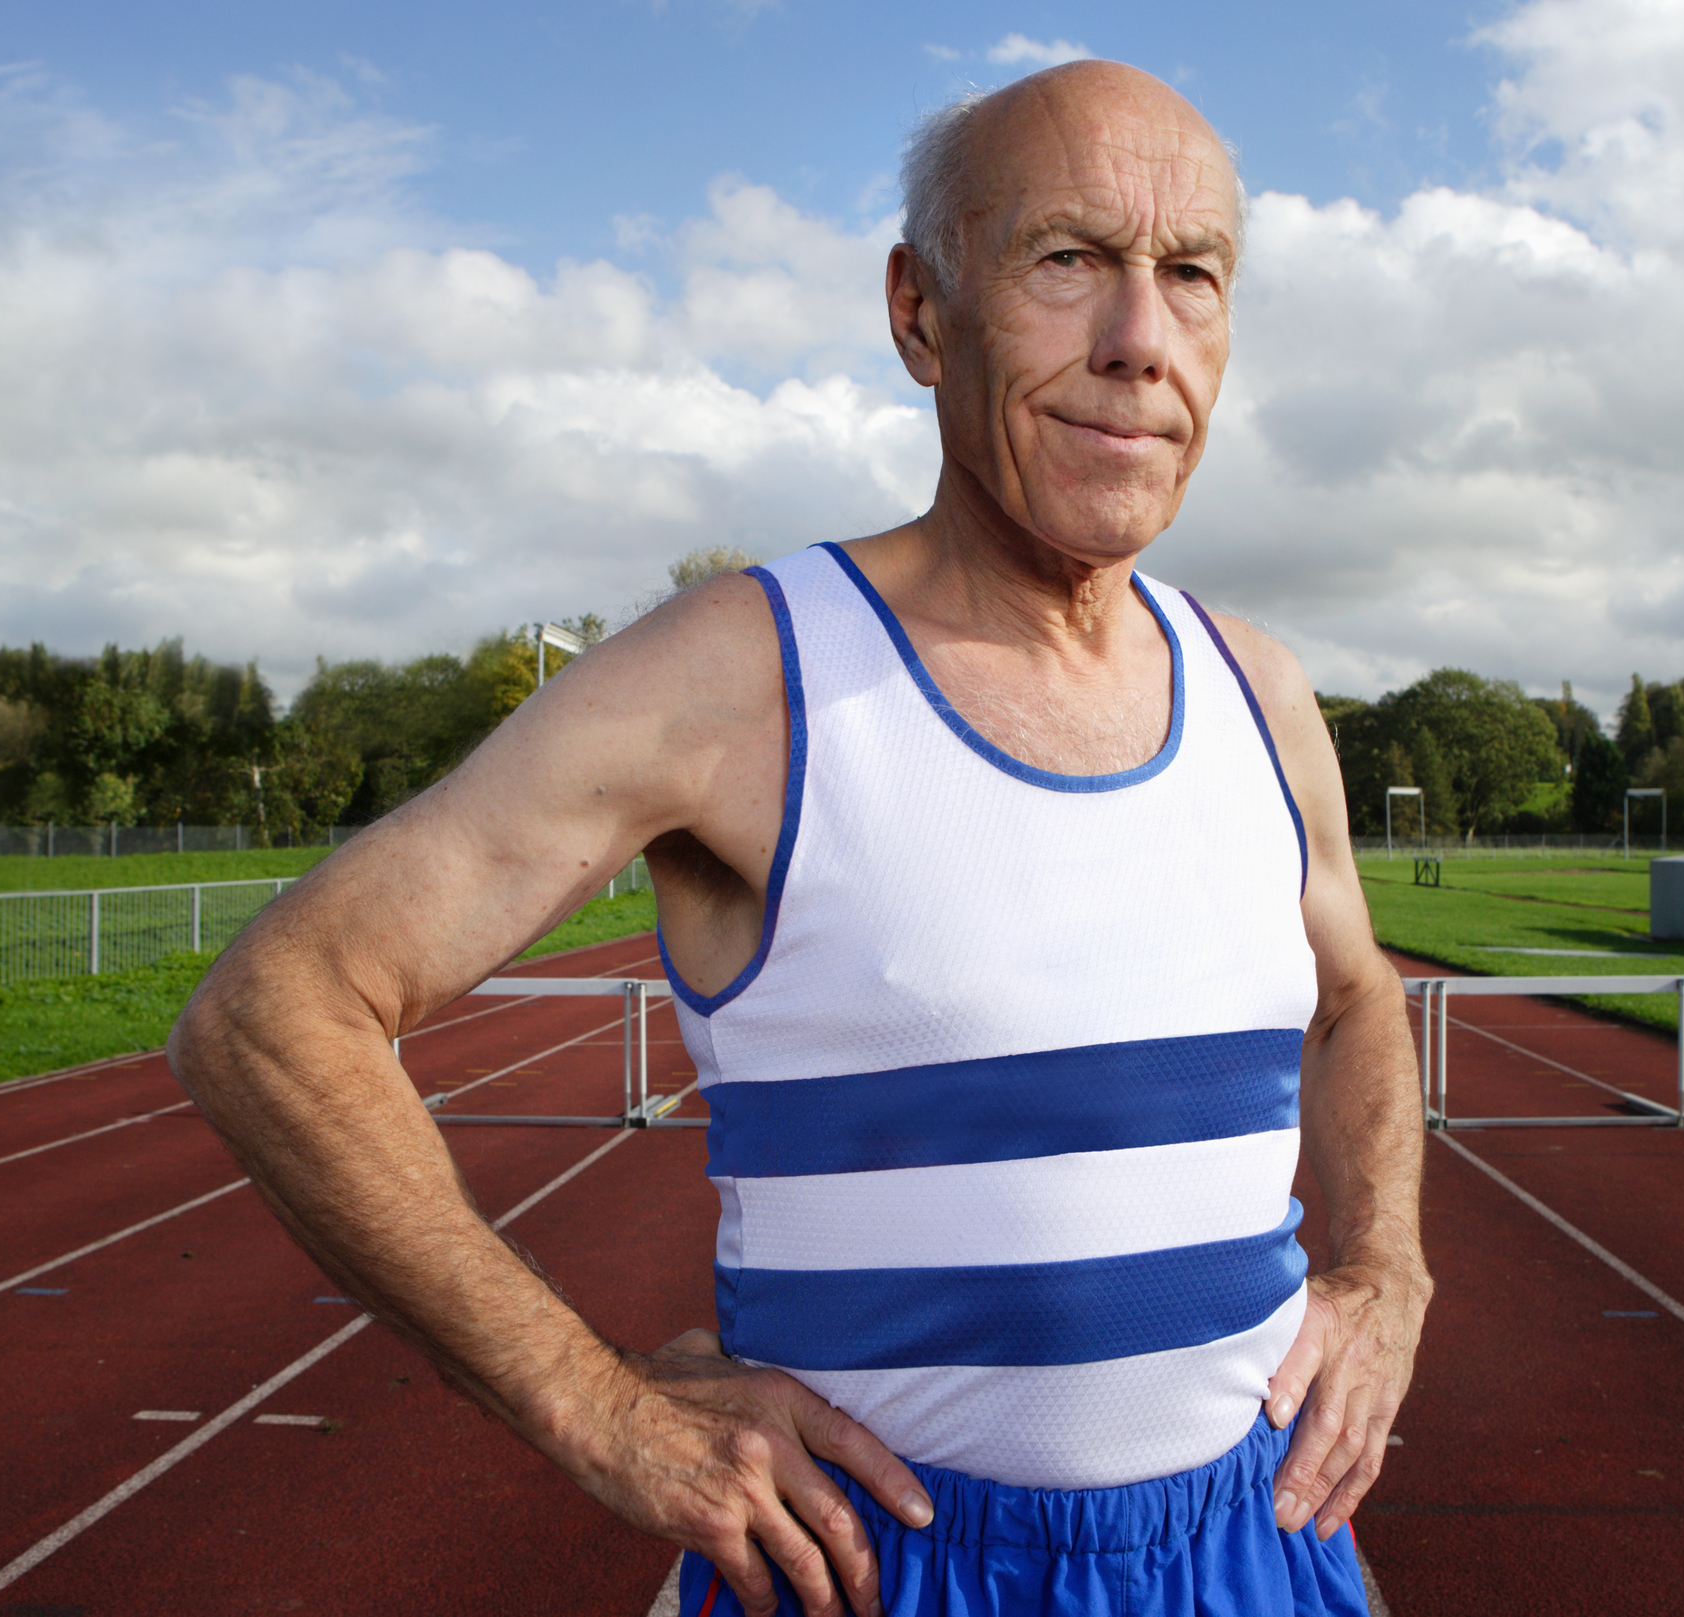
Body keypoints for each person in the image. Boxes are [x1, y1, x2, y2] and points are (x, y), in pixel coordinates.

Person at [169, 58, 1430, 1617]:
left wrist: (1386, 1269)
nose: (1139, 343)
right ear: (920, 311)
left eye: (1192, 276)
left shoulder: (1260, 689)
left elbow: (1360, 996)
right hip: (883, 1565)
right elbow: (276, 1010)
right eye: (1069, 262)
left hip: (1256, 1550)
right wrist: (594, 1401)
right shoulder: (746, 677)